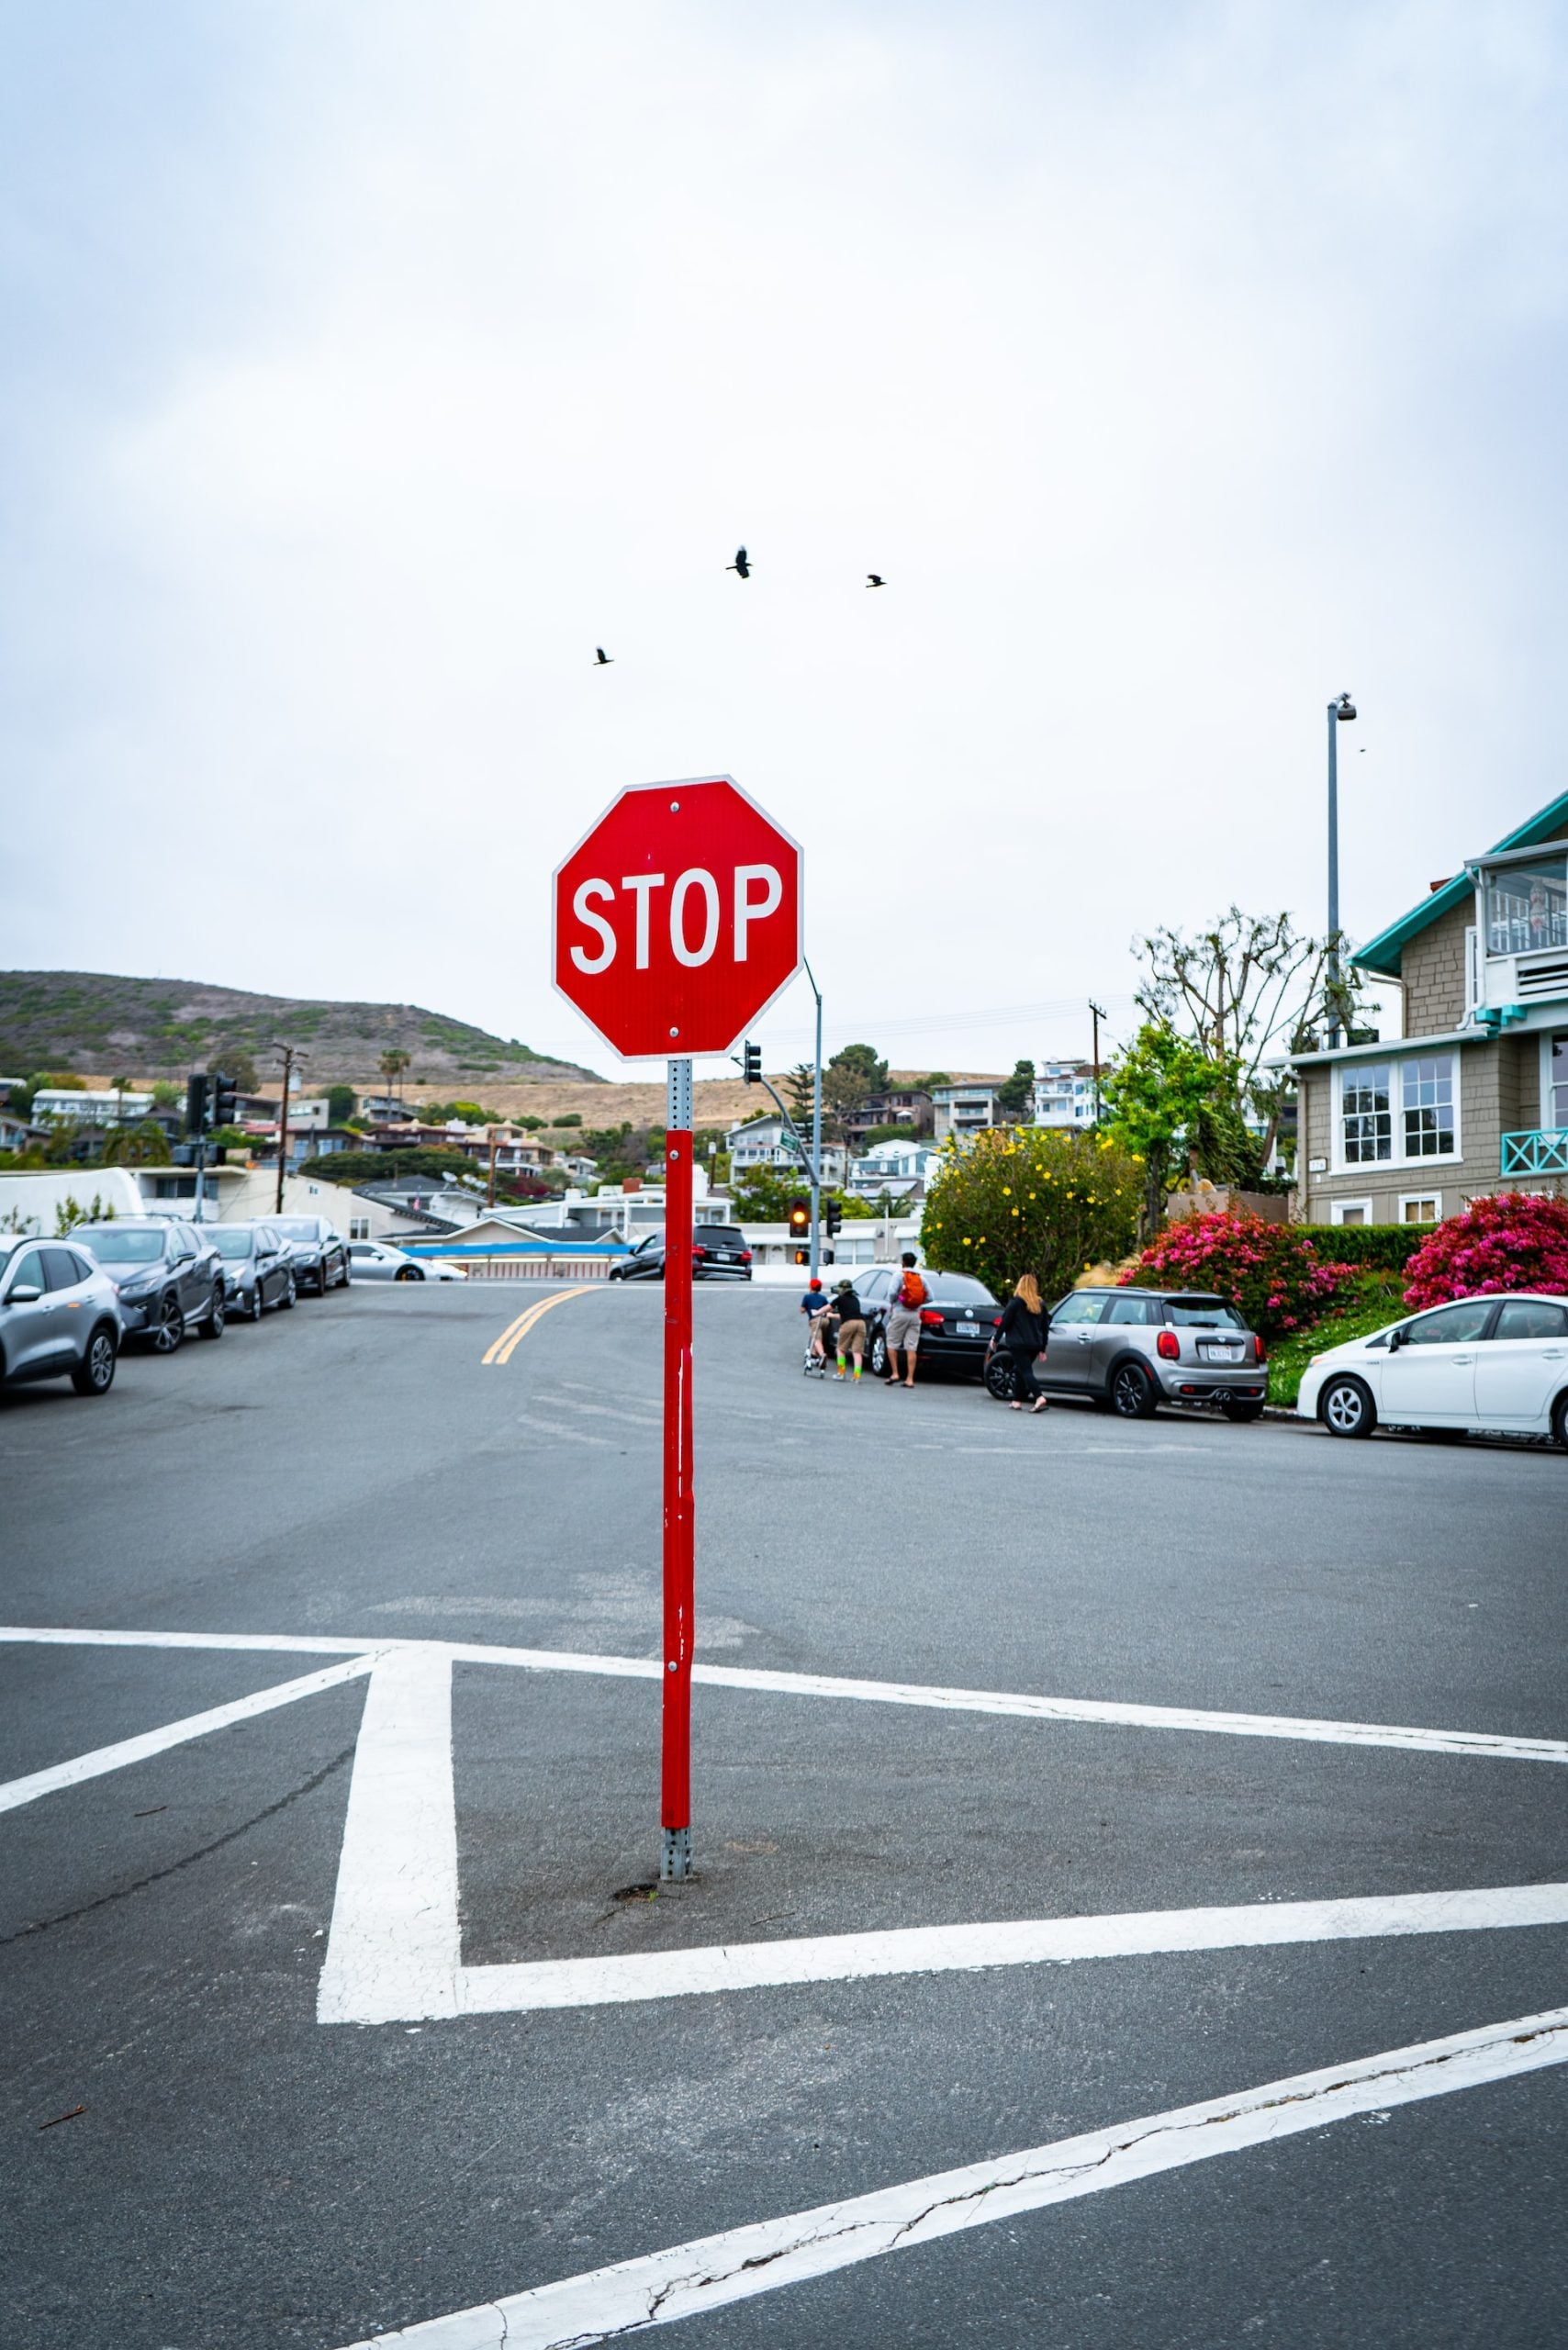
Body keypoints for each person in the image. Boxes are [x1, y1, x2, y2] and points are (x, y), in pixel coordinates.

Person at [997, 1272, 1048, 1412]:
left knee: (1026, 1371)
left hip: (1018, 1343)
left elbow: (1005, 1323)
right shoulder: (1040, 1305)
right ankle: (1016, 1400)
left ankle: (1039, 1396)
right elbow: (1045, 1327)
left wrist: (995, 1339)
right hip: (1035, 1344)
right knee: (1020, 1370)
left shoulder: (1016, 1303)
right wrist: (1043, 1348)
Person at [883, 1251, 928, 1388]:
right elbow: (931, 1296)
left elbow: (891, 1293)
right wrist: (918, 1302)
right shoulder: (921, 1278)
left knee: (892, 1343)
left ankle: (895, 1373)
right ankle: (910, 1379)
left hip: (900, 1312)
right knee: (911, 1347)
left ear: (903, 1262)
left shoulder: (899, 1275)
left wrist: (896, 1301)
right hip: (915, 1315)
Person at [832, 1279, 867, 1381]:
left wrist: (818, 1312)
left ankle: (841, 1373)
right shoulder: (855, 1299)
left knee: (841, 1349)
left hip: (848, 1324)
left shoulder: (840, 1299)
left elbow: (828, 1307)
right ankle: (857, 1376)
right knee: (857, 1352)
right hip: (861, 1323)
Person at [800, 1276, 833, 1363]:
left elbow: (802, 1310)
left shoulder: (807, 1297)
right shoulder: (823, 1298)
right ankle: (814, 1354)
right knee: (818, 1336)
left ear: (810, 1287)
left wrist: (807, 1308)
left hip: (815, 1320)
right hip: (825, 1320)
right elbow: (830, 1309)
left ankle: (822, 1355)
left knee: (816, 1338)